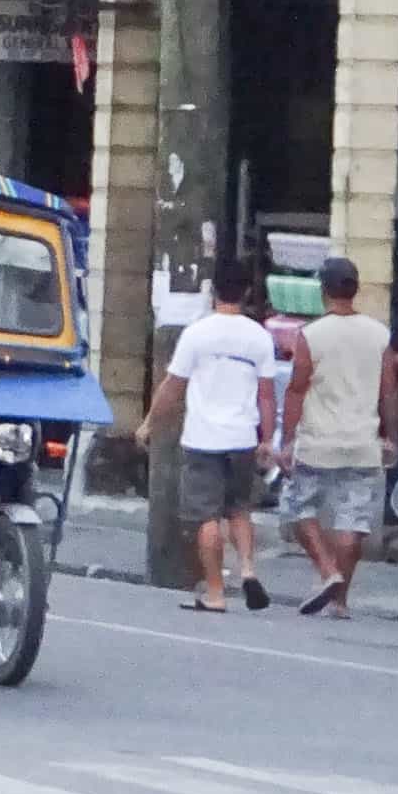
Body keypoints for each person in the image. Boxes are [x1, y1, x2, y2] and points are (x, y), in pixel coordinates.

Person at [136, 257, 281, 614]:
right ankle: (247, 569)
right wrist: (267, 439)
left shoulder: (197, 333)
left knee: (207, 518)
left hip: (203, 438)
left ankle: (216, 592)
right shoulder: (259, 337)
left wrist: (150, 423)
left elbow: (173, 386)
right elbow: (267, 395)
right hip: (243, 437)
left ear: (214, 290)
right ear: (248, 292)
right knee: (239, 510)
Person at [282, 256, 396, 617]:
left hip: (319, 443)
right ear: (355, 289)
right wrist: (389, 436)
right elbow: (389, 390)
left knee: (298, 508)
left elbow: (296, 390)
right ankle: (340, 600)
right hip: (363, 444)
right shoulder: (379, 334)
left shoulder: (312, 335)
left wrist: (287, 440)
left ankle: (328, 571)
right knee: (353, 521)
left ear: (323, 291)